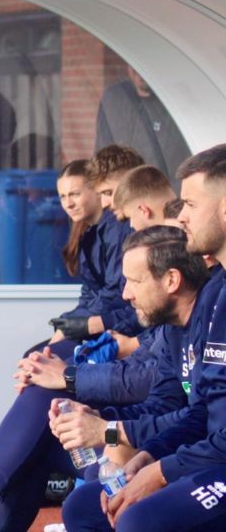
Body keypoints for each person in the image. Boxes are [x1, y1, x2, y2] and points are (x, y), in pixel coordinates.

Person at [0, 225, 211, 532]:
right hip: (158, 446)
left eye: (134, 281)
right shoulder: (172, 329)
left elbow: (191, 417)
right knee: (50, 444)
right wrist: (99, 419)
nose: (125, 293)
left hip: (195, 461)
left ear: (171, 280)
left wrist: (106, 425)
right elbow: (162, 403)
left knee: (100, 509)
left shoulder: (210, 324)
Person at [59, 147, 226, 531]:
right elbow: (202, 411)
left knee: (138, 519)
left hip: (216, 463)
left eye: (191, 204)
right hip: (208, 457)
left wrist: (160, 469)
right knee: (85, 506)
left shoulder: (208, 301)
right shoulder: (216, 295)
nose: (180, 215)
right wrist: (148, 456)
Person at [48, 146, 145, 346]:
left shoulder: (120, 228)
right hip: (113, 325)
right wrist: (72, 319)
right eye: (63, 197)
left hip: (125, 330)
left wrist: (80, 323)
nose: (68, 204)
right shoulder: (89, 232)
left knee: (50, 361)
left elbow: (116, 294)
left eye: (74, 194)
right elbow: (90, 291)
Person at [96, 67, 189, 184]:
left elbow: (182, 157)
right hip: (124, 190)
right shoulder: (114, 98)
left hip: (164, 189)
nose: (139, 71)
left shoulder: (175, 102)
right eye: (133, 66)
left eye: (143, 68)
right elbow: (102, 151)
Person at [113, 165, 177, 231]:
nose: (131, 225)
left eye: (130, 218)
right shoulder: (185, 228)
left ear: (144, 210)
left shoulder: (169, 239)